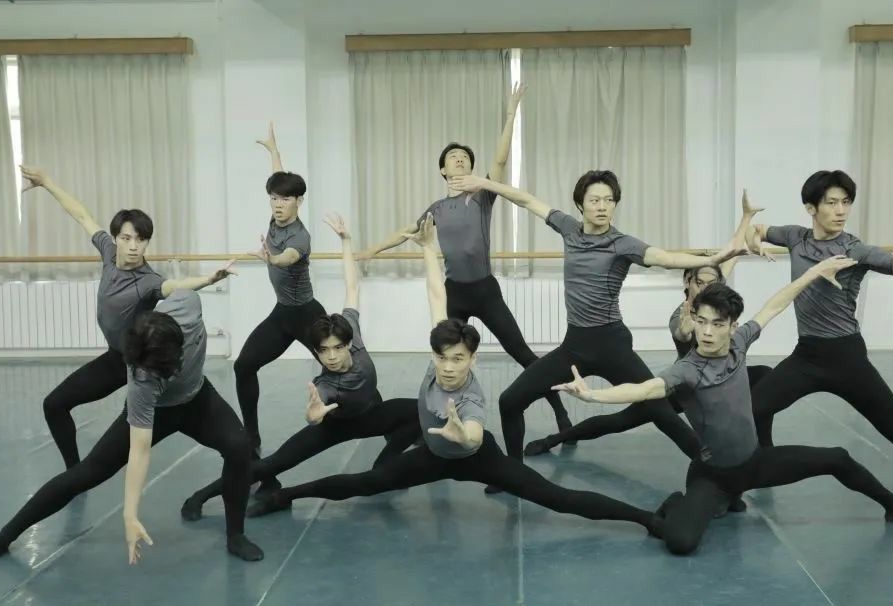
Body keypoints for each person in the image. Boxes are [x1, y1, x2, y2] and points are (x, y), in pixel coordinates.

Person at [244, 216, 661, 539]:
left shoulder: (471, 399)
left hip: (479, 457)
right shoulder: (437, 361)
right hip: (432, 455)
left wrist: (465, 436)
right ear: (434, 356)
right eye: (442, 358)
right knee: (364, 483)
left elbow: (474, 432)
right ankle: (284, 495)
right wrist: (429, 248)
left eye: (458, 360)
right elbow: (436, 294)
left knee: (557, 498)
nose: (447, 367)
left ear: (473, 360)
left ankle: (647, 518)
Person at [555, 259, 893, 556]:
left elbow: (775, 304)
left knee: (837, 458)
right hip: (712, 475)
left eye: (716, 324)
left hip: (754, 464)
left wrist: (814, 272)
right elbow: (645, 389)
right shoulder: (688, 370)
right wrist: (592, 396)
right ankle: (679, 503)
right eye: (701, 322)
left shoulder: (740, 342)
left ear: (732, 325)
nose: (707, 332)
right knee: (681, 543)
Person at [449, 171, 743, 493]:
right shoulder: (568, 229)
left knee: (662, 413)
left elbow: (665, 258)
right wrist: (486, 184)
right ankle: (514, 475)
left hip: (612, 346)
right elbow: (527, 200)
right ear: (581, 204)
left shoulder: (621, 244)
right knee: (510, 401)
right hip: (574, 346)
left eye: (609, 200)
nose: (603, 206)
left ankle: (721, 480)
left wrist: (717, 257)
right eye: (595, 200)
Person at [745, 169, 893, 525]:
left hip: (848, 360)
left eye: (846, 202)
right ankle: (760, 463)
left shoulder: (854, 250)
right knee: (750, 411)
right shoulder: (795, 237)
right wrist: (754, 240)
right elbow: (757, 229)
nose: (841, 210)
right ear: (811, 208)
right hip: (806, 356)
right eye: (832, 203)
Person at [0, 290, 264, 564]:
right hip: (158, 411)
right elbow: (140, 451)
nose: (171, 373)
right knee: (88, 472)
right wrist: (130, 515)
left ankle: (235, 535)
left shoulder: (187, 305)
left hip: (198, 399)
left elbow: (179, 287)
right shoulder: (142, 382)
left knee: (239, 447)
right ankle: (5, 536)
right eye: (162, 373)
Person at [358, 84, 573, 435]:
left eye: (464, 157)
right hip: (454, 293)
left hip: (485, 291)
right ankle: (436, 421)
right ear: (443, 170)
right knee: (444, 357)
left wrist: (510, 113)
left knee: (521, 352)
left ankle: (559, 409)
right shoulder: (437, 208)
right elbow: (405, 232)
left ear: (471, 168)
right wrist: (370, 251)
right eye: (453, 157)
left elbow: (500, 161)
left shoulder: (482, 197)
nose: (459, 159)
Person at [180, 214, 420, 521]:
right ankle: (200, 496)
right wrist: (314, 415)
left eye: (337, 348)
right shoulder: (327, 385)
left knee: (419, 411)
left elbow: (352, 284)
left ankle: (385, 463)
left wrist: (346, 241)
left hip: (371, 415)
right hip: (336, 424)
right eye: (323, 351)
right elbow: (314, 410)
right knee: (272, 464)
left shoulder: (353, 331)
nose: (331, 357)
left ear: (348, 343)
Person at [523, 191, 773, 459]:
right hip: (685, 384)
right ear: (687, 283)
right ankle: (557, 438)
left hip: (717, 378)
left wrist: (746, 217)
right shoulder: (681, 316)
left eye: (712, 282)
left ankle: (762, 446)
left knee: (765, 375)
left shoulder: (713, 299)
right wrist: (687, 329)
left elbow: (730, 256)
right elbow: (682, 332)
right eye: (700, 283)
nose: (707, 287)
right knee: (619, 422)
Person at [20, 166, 233, 469]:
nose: (134, 246)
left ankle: (247, 459)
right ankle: (73, 472)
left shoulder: (147, 280)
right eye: (127, 238)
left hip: (139, 364)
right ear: (116, 238)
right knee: (54, 404)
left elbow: (175, 286)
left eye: (141, 240)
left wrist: (209, 279)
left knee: (199, 428)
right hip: (115, 359)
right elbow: (81, 215)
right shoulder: (108, 252)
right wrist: (47, 182)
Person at [236, 123, 327, 454]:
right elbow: (278, 178)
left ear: (299, 201)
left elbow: (288, 258)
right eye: (273, 198)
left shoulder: (300, 237)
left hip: (307, 315)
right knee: (243, 366)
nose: (277, 204)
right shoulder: (276, 218)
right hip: (282, 315)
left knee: (346, 367)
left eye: (285, 199)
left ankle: (384, 423)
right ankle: (251, 436)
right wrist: (274, 151)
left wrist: (271, 259)